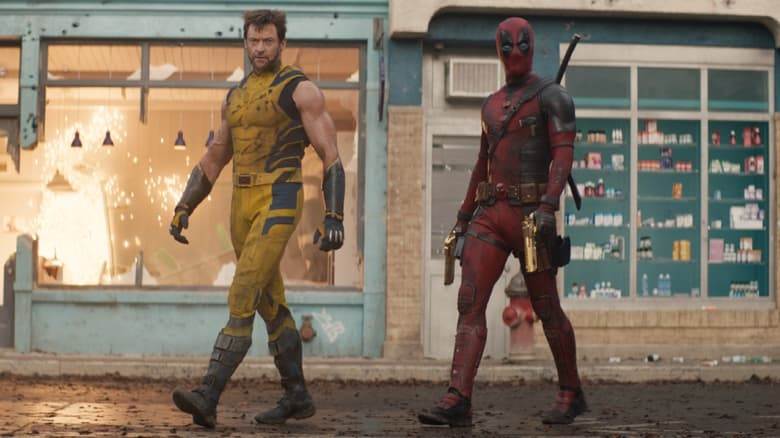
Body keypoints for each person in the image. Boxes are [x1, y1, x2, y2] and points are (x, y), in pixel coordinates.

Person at [169, 9, 345, 429]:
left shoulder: (300, 90)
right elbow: (215, 156)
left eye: (268, 41)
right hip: (241, 202)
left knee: (243, 289)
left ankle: (208, 395)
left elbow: (331, 155)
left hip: (280, 196)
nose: (260, 48)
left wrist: (334, 215)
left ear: (282, 43)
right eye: (254, 41)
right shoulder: (235, 97)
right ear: (245, 42)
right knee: (270, 302)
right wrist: (184, 205)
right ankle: (296, 395)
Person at [417, 17, 586, 427]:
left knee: (546, 307)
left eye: (521, 44)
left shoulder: (553, 97)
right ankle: (458, 397)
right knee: (469, 301)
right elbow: (483, 163)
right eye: (506, 45)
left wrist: (548, 205)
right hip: (491, 214)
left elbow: (563, 155)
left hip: (531, 217)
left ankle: (570, 391)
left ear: (532, 47)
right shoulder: (491, 105)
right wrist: (462, 218)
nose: (514, 52)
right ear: (498, 49)